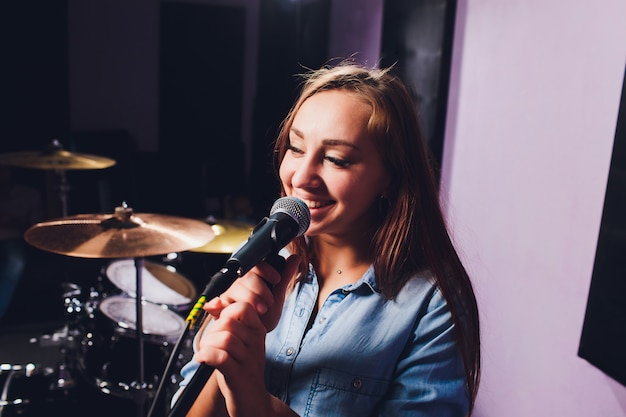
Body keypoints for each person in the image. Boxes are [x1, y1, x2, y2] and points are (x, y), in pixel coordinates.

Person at [173, 61, 481, 417]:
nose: (302, 177)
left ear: (391, 178)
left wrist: (254, 403)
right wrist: (228, 346)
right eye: (296, 147)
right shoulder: (261, 262)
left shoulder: (432, 302)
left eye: (336, 159)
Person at [0, 164, 43, 321]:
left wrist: (13, 222)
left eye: (3, 168)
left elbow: (35, 228)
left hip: (14, 239)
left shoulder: (28, 194)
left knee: (14, 261)